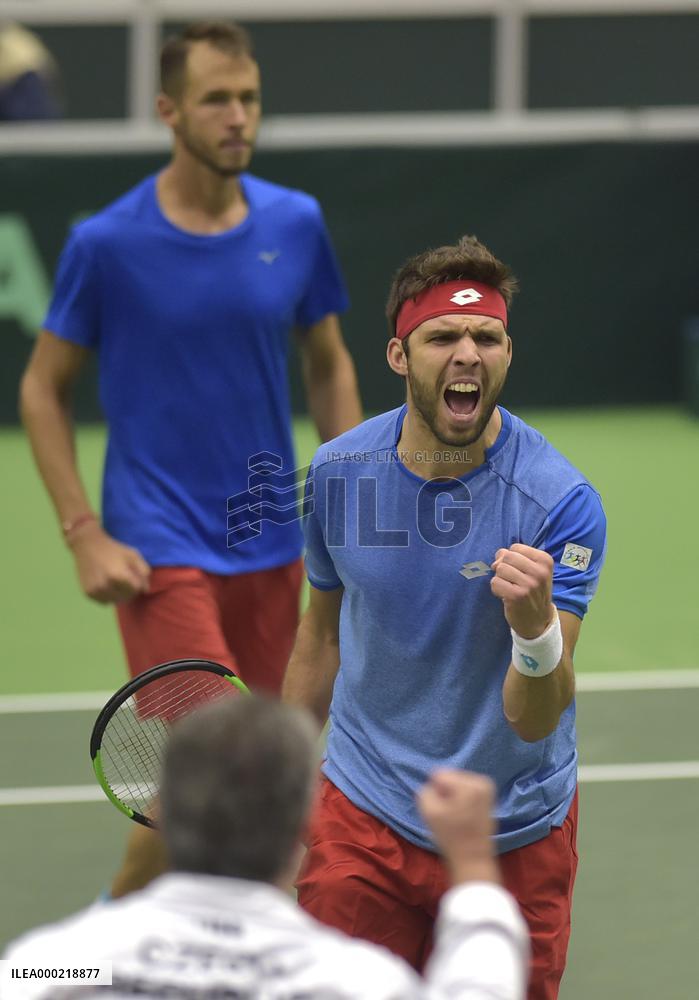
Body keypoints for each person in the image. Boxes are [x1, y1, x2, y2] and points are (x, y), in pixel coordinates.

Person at [19, 20, 362, 899]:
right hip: (157, 547)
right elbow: (42, 389)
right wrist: (83, 533)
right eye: (216, 99)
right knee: (234, 774)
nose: (238, 116)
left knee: (245, 784)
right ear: (169, 111)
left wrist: (355, 492)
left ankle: (102, 941)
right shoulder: (107, 244)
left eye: (249, 98)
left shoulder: (295, 222)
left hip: (270, 539)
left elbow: (327, 362)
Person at [282, 234, 607, 1000]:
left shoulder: (558, 503)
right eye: (442, 337)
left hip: (509, 831)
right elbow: (319, 636)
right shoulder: (337, 474)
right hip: (363, 813)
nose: (467, 354)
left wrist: (533, 629)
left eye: (486, 337)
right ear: (398, 355)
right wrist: (280, 778)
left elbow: (534, 717)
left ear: (507, 353)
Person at [2, 696, 528, 1000]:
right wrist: (473, 866)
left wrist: (103, 920)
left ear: (167, 814)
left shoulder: (56, 965)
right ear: (304, 819)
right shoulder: (354, 982)